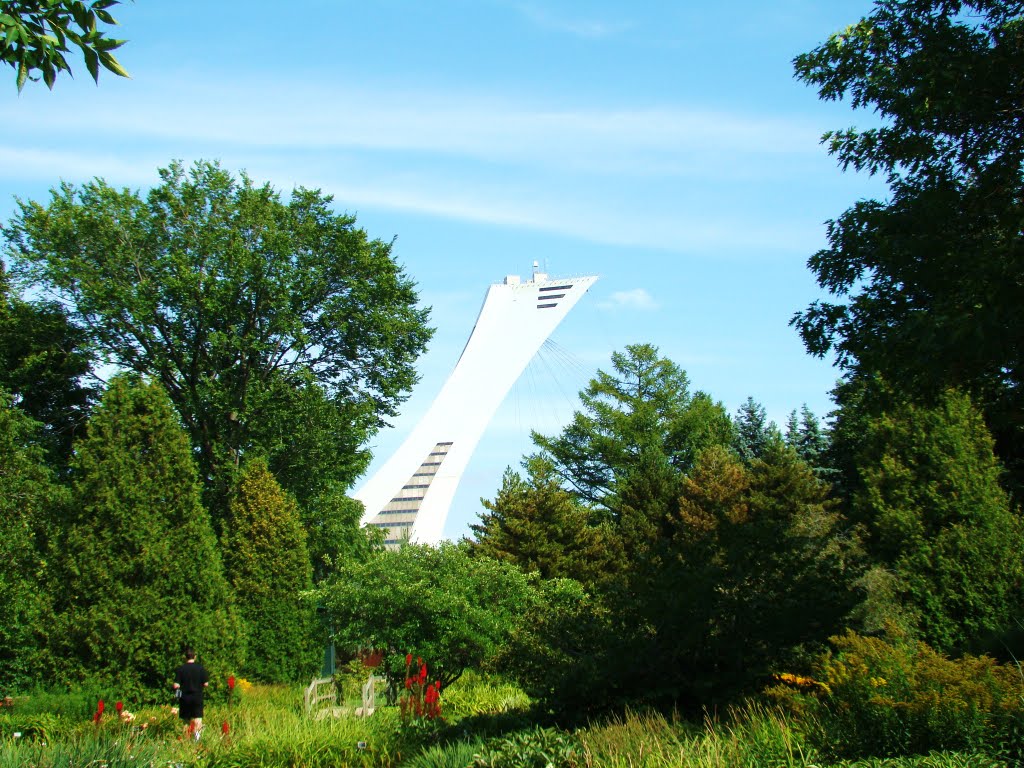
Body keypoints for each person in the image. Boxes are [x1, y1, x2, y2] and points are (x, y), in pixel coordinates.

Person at [173, 648, 209, 741]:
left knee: (186, 720)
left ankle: (186, 739)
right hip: (197, 697)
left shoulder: (181, 669)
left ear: (185, 657)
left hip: (185, 698)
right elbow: (206, 684)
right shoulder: (201, 668)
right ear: (195, 657)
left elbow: (176, 685)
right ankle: (196, 740)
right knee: (198, 718)